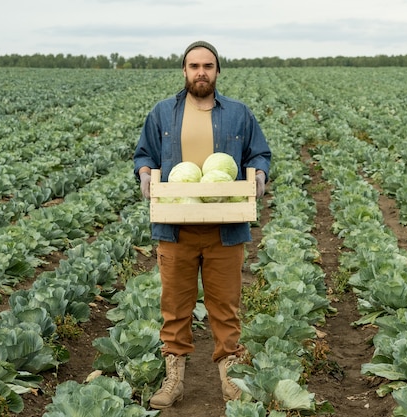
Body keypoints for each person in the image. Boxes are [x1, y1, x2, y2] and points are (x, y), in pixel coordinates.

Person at [133, 40, 272, 409]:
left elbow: (259, 151)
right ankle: (174, 378)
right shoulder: (163, 113)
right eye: (194, 66)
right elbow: (144, 152)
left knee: (225, 306)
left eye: (207, 66)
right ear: (184, 71)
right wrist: (145, 172)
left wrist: (259, 173)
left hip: (224, 226)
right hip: (175, 226)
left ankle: (231, 377)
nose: (200, 72)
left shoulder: (239, 114)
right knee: (175, 306)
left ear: (217, 71)